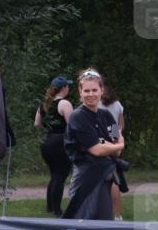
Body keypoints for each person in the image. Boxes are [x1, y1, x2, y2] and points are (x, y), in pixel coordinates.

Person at [62, 69, 124, 220]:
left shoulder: (107, 115)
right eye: (86, 91)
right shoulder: (78, 117)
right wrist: (117, 145)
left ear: (102, 91)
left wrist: (111, 146)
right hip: (85, 178)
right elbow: (96, 150)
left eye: (94, 90)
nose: (91, 94)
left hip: (105, 177)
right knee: (81, 223)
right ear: (80, 92)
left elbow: (117, 150)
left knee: (103, 222)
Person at [34, 76, 74, 217]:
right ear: (63, 88)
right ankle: (57, 210)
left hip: (46, 141)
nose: (69, 88)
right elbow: (72, 125)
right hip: (60, 142)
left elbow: (37, 124)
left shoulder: (45, 104)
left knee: (54, 175)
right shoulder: (64, 104)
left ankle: (50, 207)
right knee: (60, 175)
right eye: (68, 86)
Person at [101, 84, 126, 220]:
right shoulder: (117, 104)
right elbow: (120, 124)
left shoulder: (94, 103)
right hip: (114, 139)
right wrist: (116, 138)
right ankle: (117, 215)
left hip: (98, 140)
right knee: (114, 179)